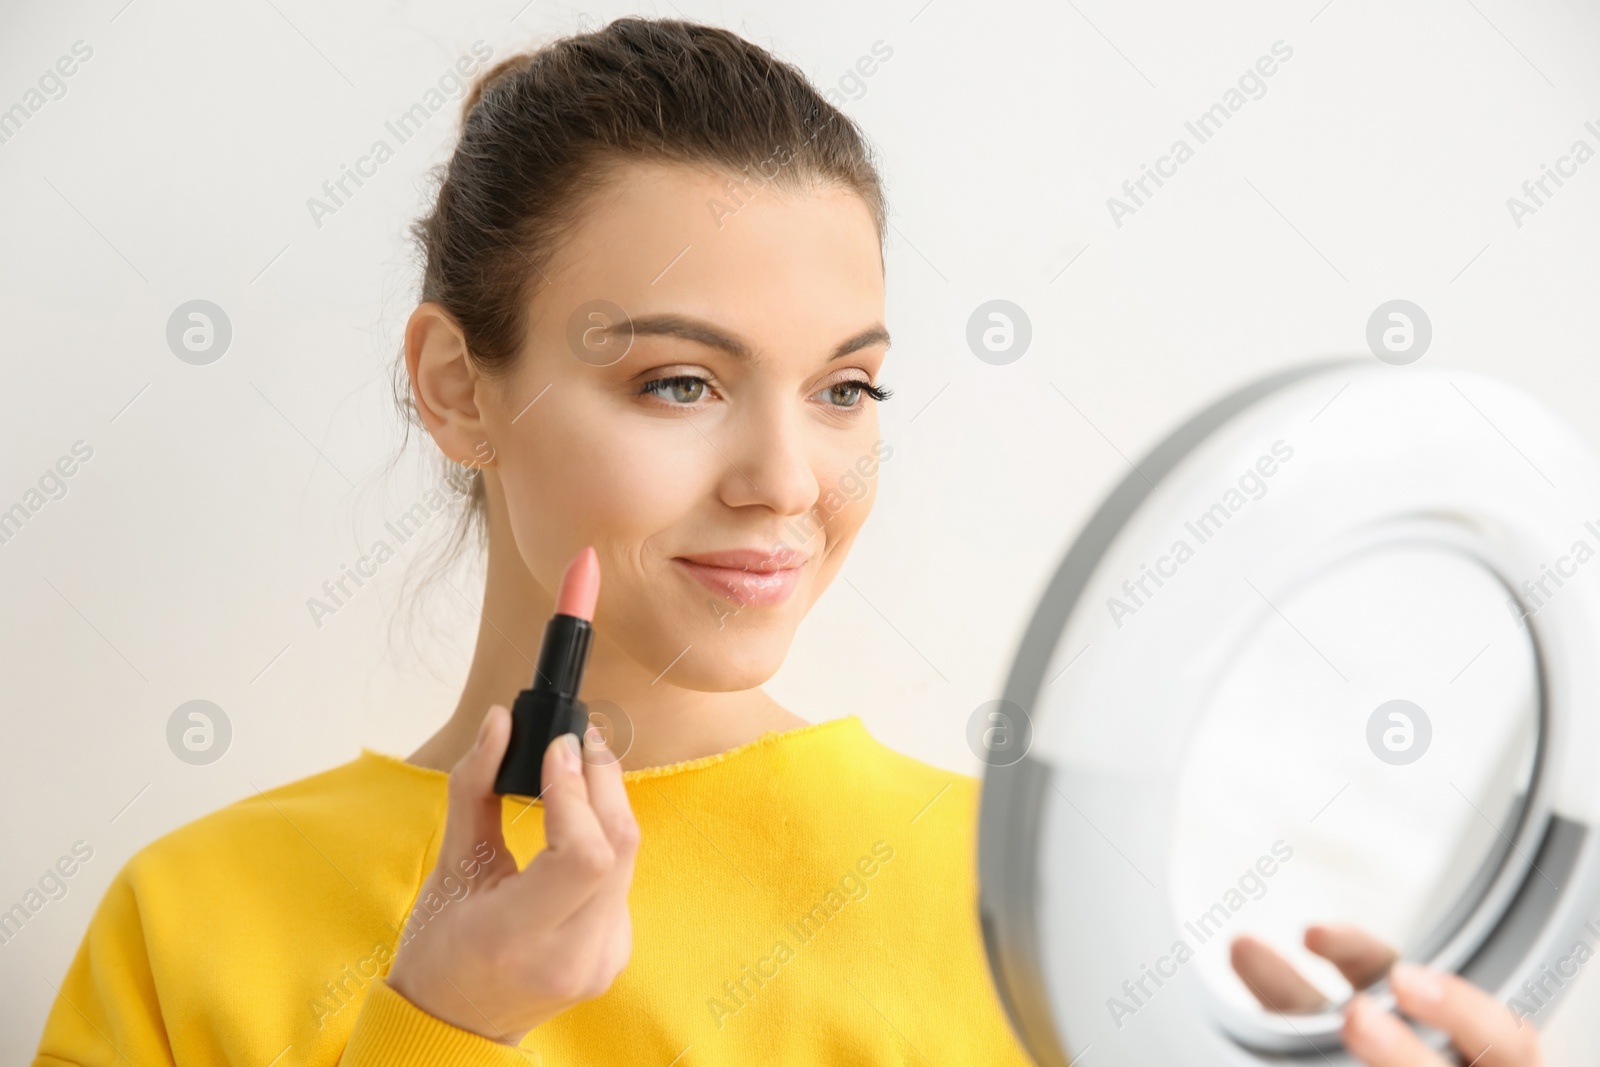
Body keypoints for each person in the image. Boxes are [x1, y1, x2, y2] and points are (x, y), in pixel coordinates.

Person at [31, 15, 1543, 1067]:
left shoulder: (1041, 918)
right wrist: (440, 1027)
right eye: (677, 382)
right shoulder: (191, 923)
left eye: (845, 389)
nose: (786, 478)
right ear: (453, 386)